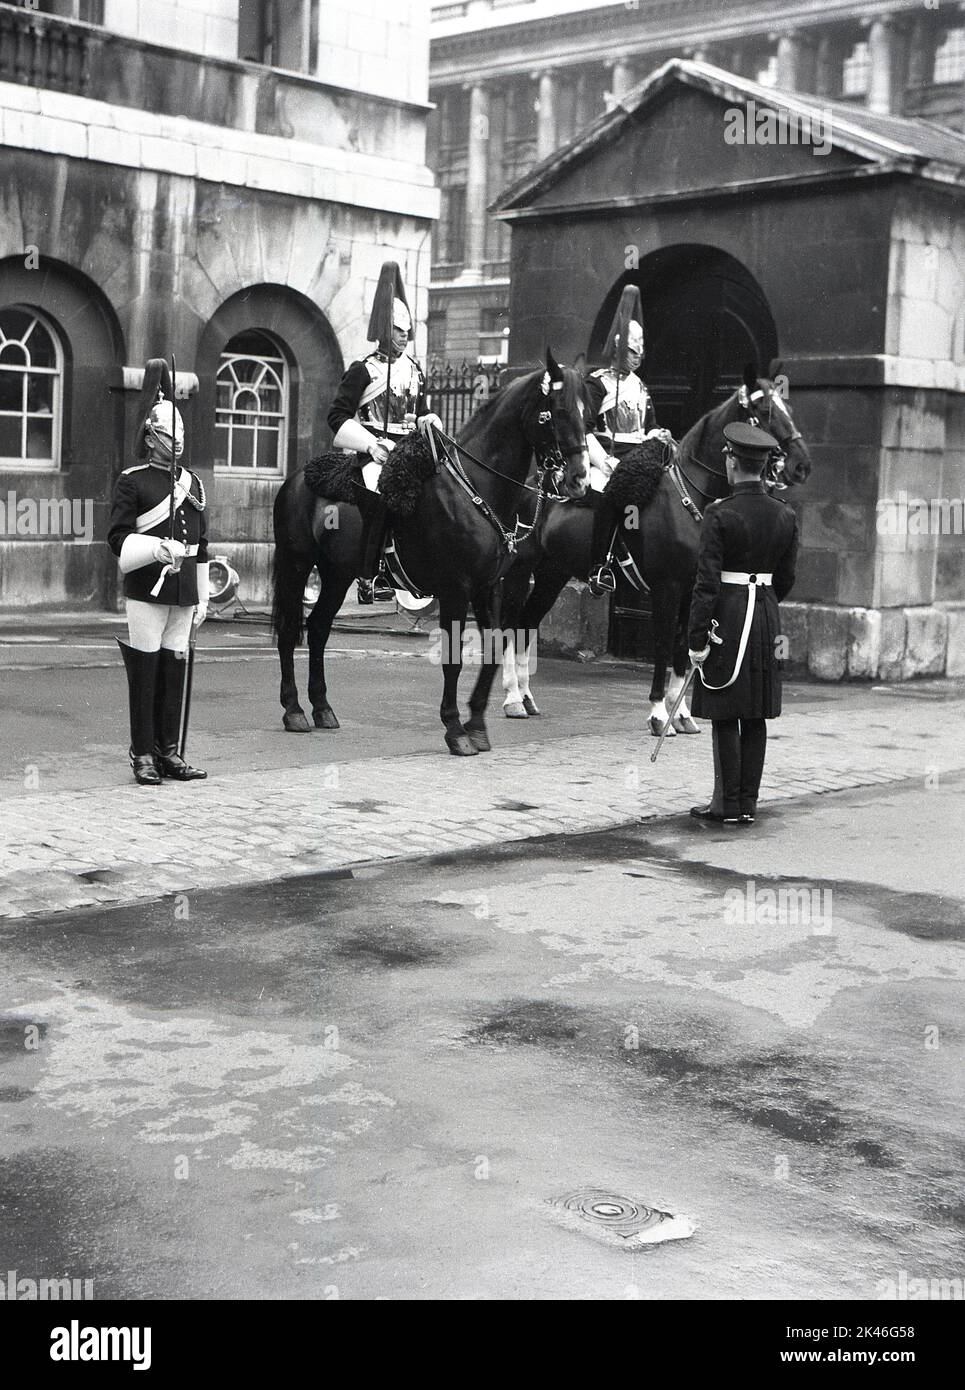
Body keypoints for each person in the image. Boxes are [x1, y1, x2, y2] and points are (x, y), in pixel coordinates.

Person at [687, 421, 799, 824]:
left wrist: (696, 638)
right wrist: (765, 602)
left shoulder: (719, 513)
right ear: (765, 465)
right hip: (767, 617)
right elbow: (786, 578)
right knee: (755, 712)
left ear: (733, 463)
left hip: (729, 616)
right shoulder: (785, 514)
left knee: (724, 709)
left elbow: (705, 584)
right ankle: (747, 804)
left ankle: (726, 804)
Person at [108, 360, 209, 786]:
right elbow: (117, 539)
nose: (178, 442)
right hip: (147, 587)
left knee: (174, 669)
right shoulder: (133, 481)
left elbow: (203, 545)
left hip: (183, 588)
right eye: (170, 435)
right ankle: (143, 751)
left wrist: (202, 595)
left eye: (181, 435)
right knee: (146, 672)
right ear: (151, 437)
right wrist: (155, 547)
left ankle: (169, 751)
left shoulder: (193, 482)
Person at [326, 261, 441, 602]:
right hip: (374, 450)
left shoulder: (415, 371)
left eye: (407, 331)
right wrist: (371, 444)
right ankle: (369, 575)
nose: (404, 336)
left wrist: (428, 419)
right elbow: (336, 416)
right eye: (397, 329)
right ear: (383, 329)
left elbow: (420, 411)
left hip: (409, 449)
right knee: (380, 494)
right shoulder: (364, 370)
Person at [583, 286, 673, 596]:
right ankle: (600, 566)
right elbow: (584, 429)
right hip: (605, 456)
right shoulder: (597, 383)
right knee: (610, 495)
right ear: (620, 350)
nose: (636, 359)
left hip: (639, 458)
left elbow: (649, 425)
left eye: (639, 353)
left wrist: (658, 435)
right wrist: (604, 461)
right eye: (631, 352)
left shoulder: (641, 386)